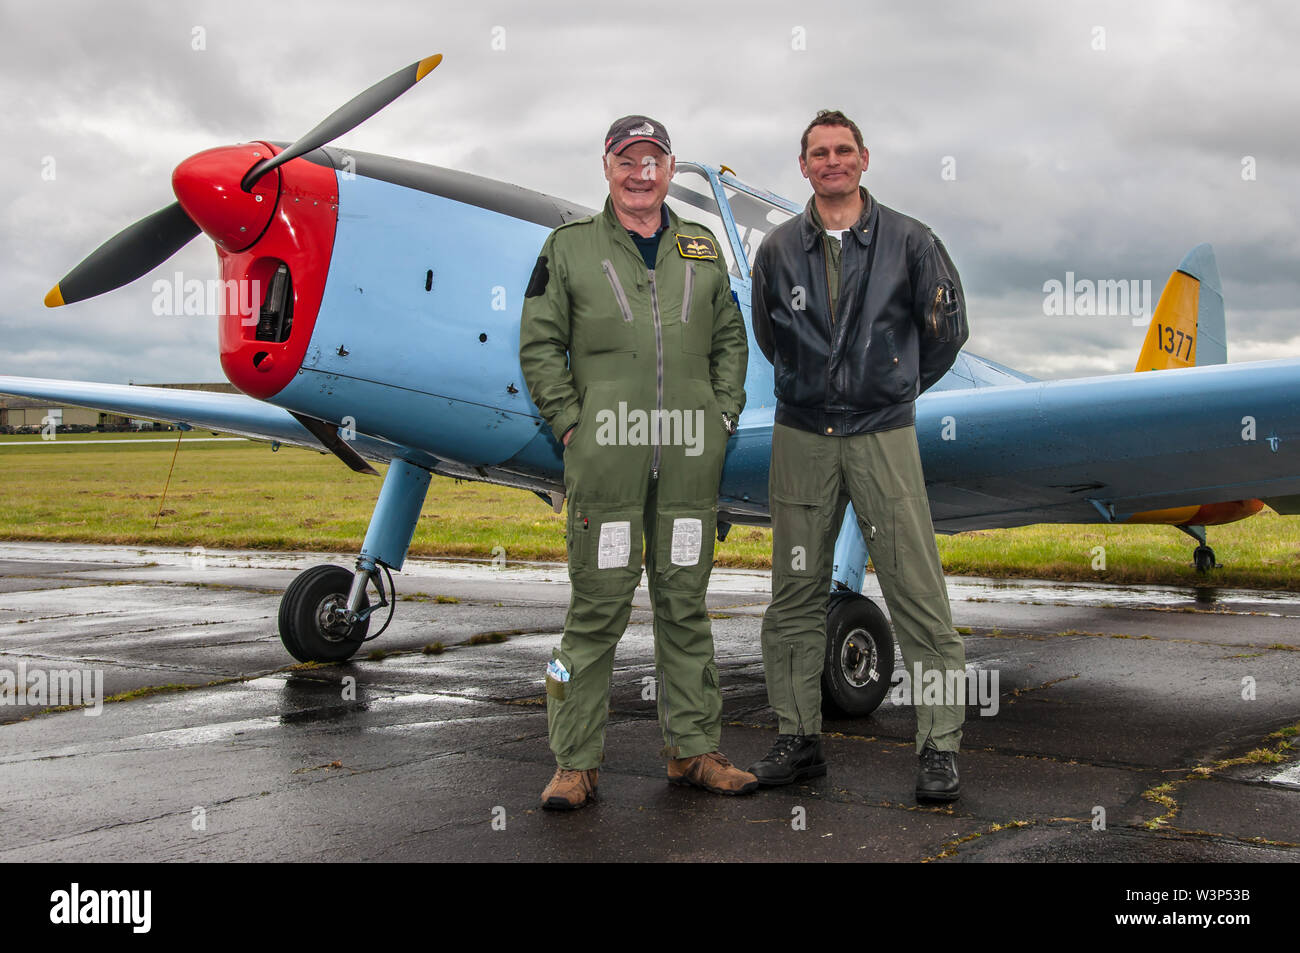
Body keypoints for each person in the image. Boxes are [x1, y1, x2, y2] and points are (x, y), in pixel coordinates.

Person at [519, 115, 754, 810]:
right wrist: (570, 425)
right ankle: (574, 763)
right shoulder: (567, 248)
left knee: (685, 607)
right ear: (607, 166)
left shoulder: (700, 247)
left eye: (653, 160)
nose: (641, 172)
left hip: (688, 459)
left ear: (669, 167)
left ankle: (694, 751)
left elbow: (730, 340)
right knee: (594, 611)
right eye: (628, 159)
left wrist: (723, 416)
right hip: (607, 461)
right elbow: (538, 344)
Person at [748, 109, 969, 801]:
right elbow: (769, 335)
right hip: (803, 437)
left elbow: (945, 332)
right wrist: (819, 391)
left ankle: (938, 747)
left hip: (883, 435)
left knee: (918, 592)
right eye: (819, 152)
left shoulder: (911, 241)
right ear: (804, 165)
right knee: (794, 595)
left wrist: (889, 388)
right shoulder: (778, 250)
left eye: (844, 150)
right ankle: (799, 739)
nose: (833, 161)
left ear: (864, 159)